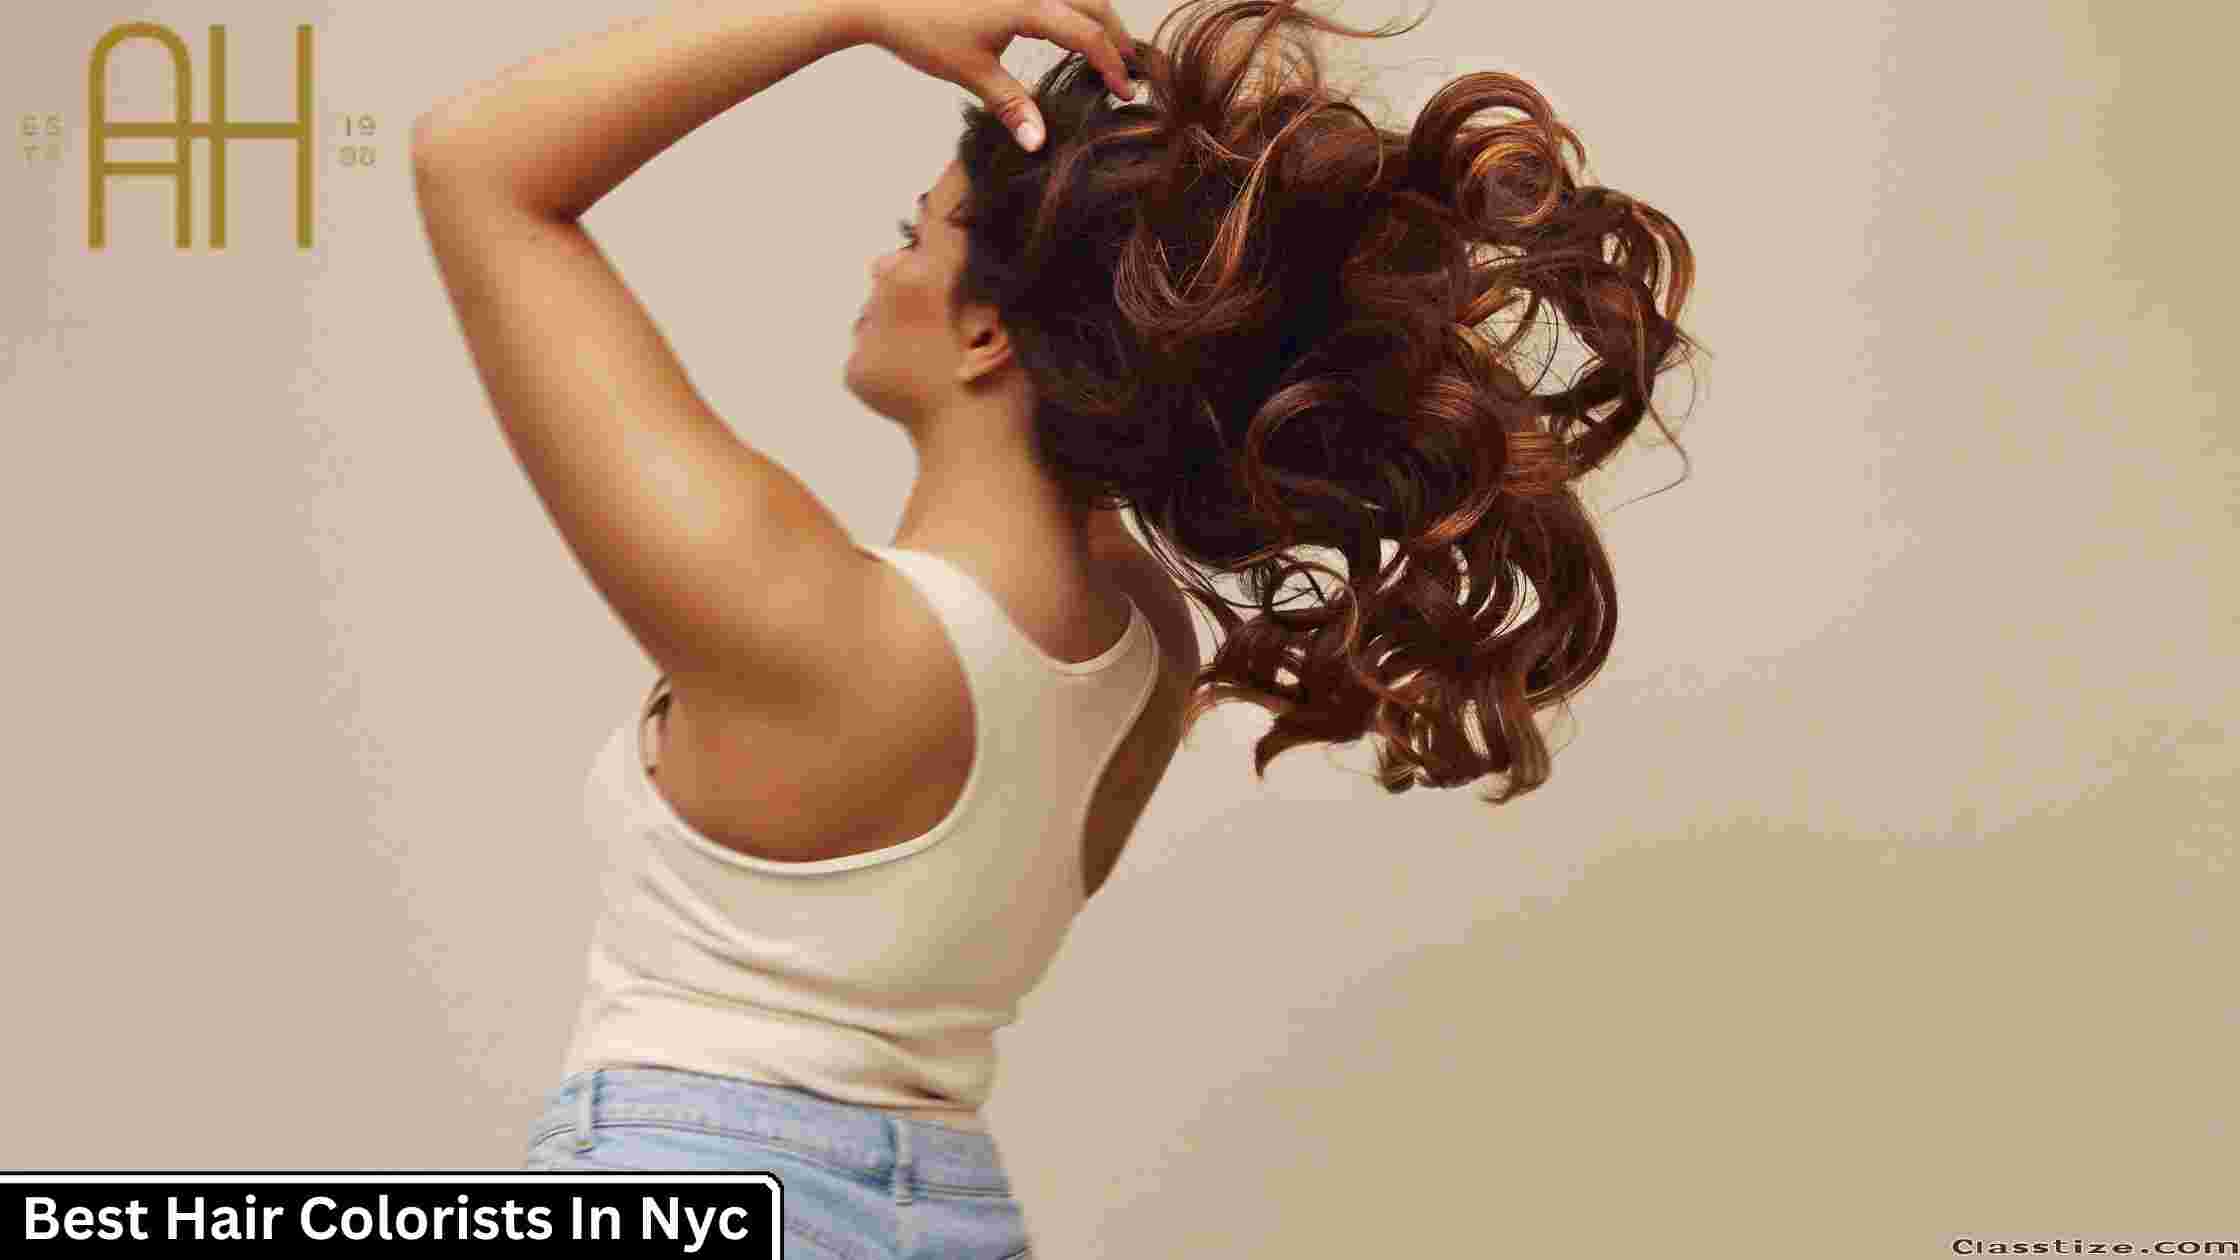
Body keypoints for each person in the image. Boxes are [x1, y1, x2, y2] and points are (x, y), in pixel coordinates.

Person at [412, 0, 1701, 1253]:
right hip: (953, 1210)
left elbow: (476, 165)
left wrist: (846, 11)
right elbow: (1136, 406)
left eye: (911, 235)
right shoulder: (1139, 653)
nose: (880, 265)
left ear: (986, 331)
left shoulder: (809, 625)